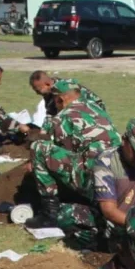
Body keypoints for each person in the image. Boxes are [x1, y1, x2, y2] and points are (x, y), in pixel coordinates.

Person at [56, 118, 135, 251]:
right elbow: (109, 210)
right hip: (112, 223)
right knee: (67, 214)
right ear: (124, 140)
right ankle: (99, 249)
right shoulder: (106, 161)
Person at [29, 80, 120, 222]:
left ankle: (49, 212)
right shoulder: (97, 109)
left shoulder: (62, 117)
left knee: (39, 148)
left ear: (59, 99)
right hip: (120, 177)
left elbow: (59, 154)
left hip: (96, 181)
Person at [29, 70, 106, 118]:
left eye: (39, 90)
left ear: (47, 84)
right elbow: (51, 115)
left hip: (94, 116)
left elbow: (76, 112)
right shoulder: (49, 93)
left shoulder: (65, 88)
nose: (37, 93)